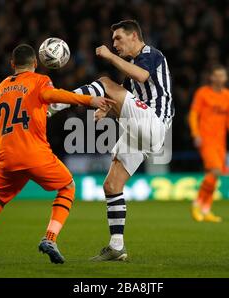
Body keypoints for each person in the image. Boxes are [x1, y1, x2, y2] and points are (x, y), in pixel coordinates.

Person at [0, 44, 112, 271]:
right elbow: (53, 95)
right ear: (36, 64)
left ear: (12, 64)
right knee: (68, 186)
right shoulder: (39, 81)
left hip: (6, 156)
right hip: (34, 153)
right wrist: (89, 100)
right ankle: (49, 238)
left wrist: (4, 136)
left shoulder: (0, 88)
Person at [54, 19, 174, 261]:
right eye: (112, 41)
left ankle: (57, 103)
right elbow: (124, 93)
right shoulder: (130, 68)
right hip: (139, 129)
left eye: (118, 38)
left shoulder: (151, 54)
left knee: (105, 81)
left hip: (154, 123)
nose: (114, 44)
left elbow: (141, 76)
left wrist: (109, 57)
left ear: (134, 37)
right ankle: (117, 246)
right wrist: (105, 109)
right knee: (111, 186)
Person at [188, 65, 229, 223]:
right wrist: (195, 134)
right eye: (216, 75)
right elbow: (193, 114)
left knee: (213, 176)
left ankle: (206, 209)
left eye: (222, 76)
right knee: (216, 170)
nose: (219, 78)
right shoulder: (203, 93)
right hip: (206, 139)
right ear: (211, 77)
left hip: (221, 142)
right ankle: (197, 204)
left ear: (226, 78)